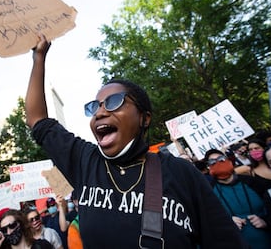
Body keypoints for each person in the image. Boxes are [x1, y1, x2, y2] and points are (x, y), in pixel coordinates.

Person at [24, 33, 249, 248]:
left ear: (144, 118)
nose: (100, 113)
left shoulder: (181, 173)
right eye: (96, 106)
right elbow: (37, 119)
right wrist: (39, 58)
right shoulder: (85, 161)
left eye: (114, 102)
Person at [204, 149, 271, 249]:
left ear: (228, 160)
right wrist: (227, 224)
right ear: (209, 167)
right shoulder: (209, 192)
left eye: (221, 159)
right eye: (212, 162)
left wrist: (265, 221)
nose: (218, 163)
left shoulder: (252, 182)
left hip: (269, 243)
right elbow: (209, 223)